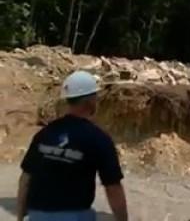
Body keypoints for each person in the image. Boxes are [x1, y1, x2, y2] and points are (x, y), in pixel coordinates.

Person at [16, 70, 128, 221]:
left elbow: (25, 178)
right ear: (90, 101)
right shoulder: (98, 139)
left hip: (37, 215)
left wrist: (20, 216)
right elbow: (113, 187)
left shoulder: (45, 133)